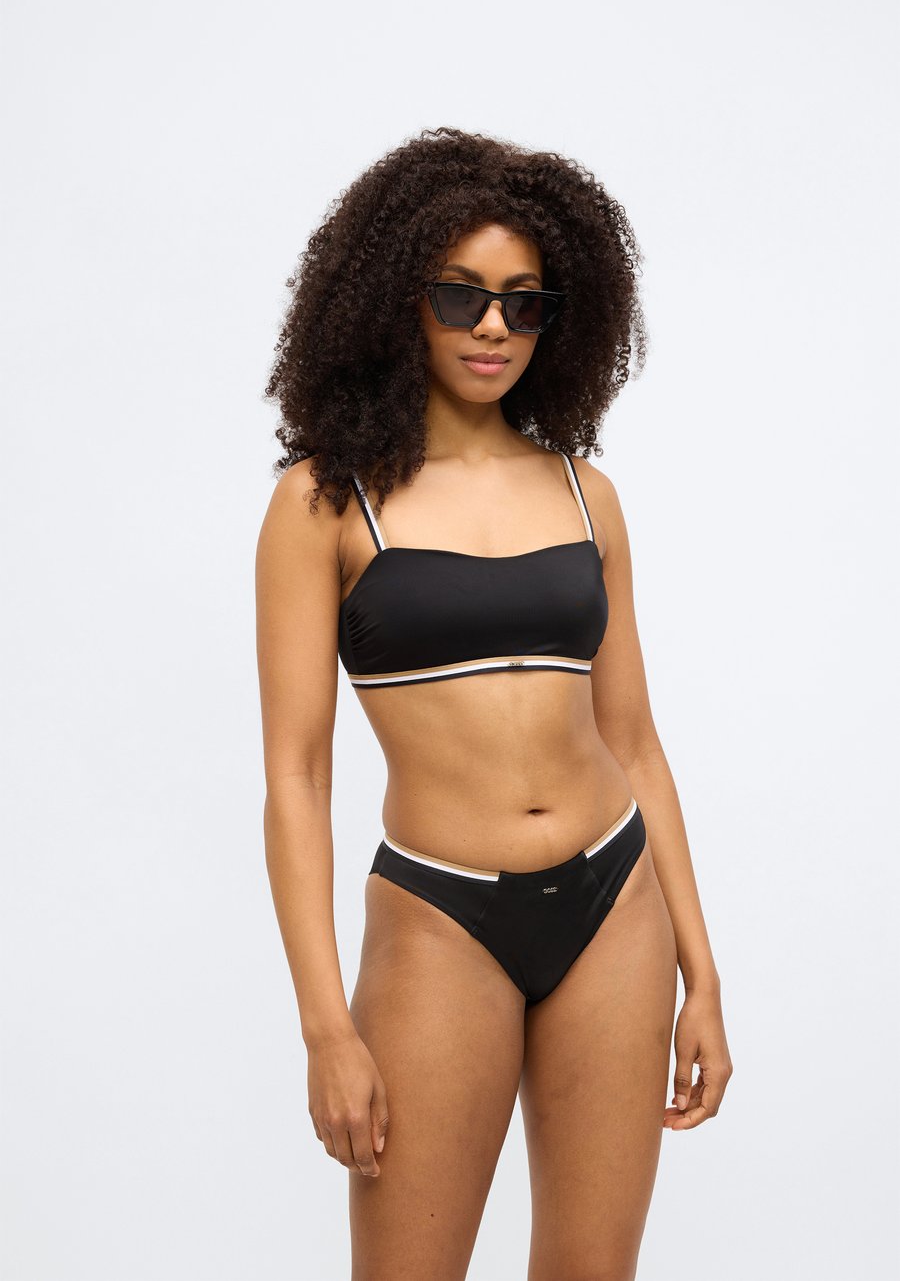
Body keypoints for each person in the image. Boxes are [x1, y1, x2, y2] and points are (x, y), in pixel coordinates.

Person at [256, 126, 733, 1281]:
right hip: (440, 917)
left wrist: (704, 976)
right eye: (461, 296)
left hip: (616, 904)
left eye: (524, 305)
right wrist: (325, 1025)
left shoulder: (585, 493)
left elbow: (634, 742)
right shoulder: (325, 504)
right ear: (394, 299)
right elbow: (296, 777)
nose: (492, 329)